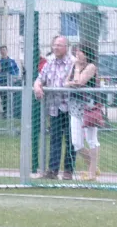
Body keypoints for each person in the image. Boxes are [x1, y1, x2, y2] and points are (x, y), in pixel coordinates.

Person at [33, 35, 76, 180]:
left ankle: (68, 171)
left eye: (59, 45)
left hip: (71, 109)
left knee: (71, 140)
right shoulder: (49, 62)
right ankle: (52, 170)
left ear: (66, 47)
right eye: (54, 45)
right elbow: (39, 79)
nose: (56, 48)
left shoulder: (73, 63)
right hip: (54, 108)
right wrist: (37, 86)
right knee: (55, 139)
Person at [64, 44, 100, 181]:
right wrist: (73, 79)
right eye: (77, 52)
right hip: (75, 107)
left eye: (80, 52)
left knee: (92, 140)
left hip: (89, 108)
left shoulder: (91, 67)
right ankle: (93, 166)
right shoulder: (74, 66)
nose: (78, 54)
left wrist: (78, 71)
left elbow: (80, 82)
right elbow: (66, 82)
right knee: (76, 143)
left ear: (87, 54)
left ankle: (91, 174)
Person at [0, 45, 19, 118]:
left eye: (4, 50)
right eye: (1, 50)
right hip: (2, 82)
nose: (3, 51)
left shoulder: (11, 61)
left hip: (11, 82)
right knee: (3, 97)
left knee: (11, 97)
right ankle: (5, 113)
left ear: (6, 51)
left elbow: (16, 69)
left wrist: (15, 77)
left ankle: (11, 113)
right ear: (0, 52)